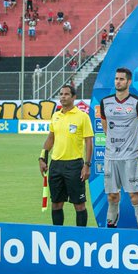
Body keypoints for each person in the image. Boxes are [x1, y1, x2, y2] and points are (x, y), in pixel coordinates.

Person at [100, 68, 138, 229]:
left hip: (130, 157)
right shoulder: (105, 102)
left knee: (134, 196)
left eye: (122, 79)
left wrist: (131, 144)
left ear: (129, 82)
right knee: (112, 197)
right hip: (110, 157)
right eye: (116, 79)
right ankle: (110, 228)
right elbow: (105, 127)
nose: (118, 82)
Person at [38, 85, 93, 227]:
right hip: (56, 165)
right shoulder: (55, 116)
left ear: (73, 97)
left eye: (66, 94)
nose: (63, 96)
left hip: (74, 165)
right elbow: (51, 138)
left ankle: (81, 237)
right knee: (56, 204)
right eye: (61, 94)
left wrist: (87, 165)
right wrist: (42, 158)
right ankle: (58, 236)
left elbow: (88, 141)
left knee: (79, 205)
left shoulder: (82, 117)